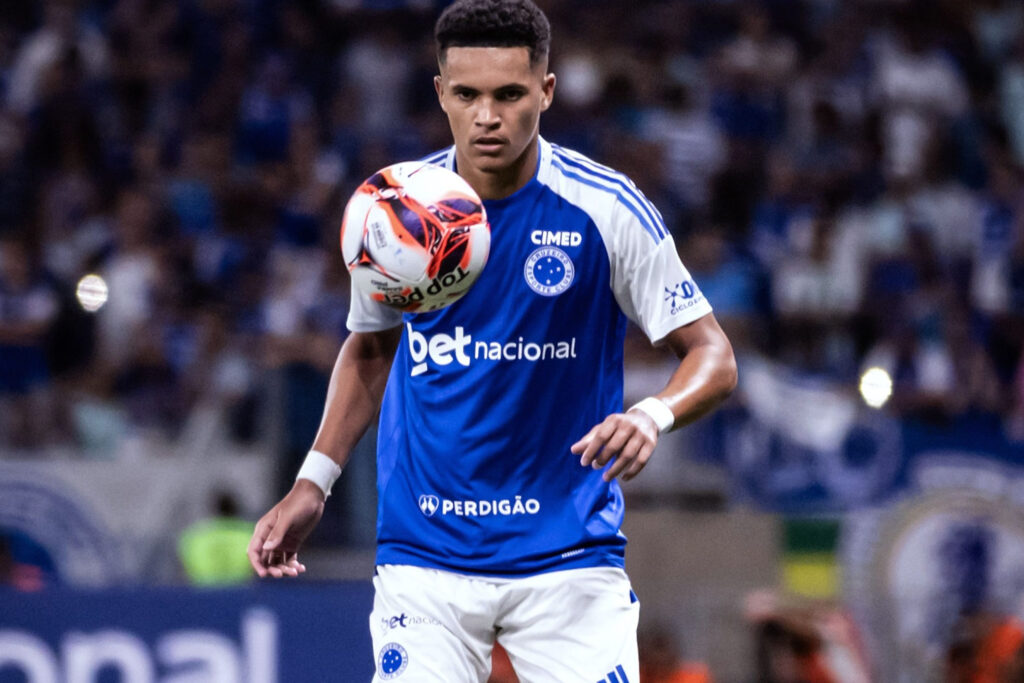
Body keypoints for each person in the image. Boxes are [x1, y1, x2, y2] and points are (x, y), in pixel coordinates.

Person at [247, 1, 737, 681]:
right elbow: (371, 347)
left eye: (509, 94)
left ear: (547, 90)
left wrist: (652, 415)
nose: (487, 116)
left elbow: (714, 355)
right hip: (426, 556)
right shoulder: (396, 212)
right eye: (467, 95)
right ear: (439, 92)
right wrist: (313, 481)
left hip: (568, 556)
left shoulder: (606, 208)